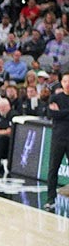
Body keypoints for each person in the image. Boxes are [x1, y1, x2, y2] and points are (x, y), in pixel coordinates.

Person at [45, 74, 69, 211]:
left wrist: (61, 113)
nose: (67, 84)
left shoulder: (58, 102)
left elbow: (58, 114)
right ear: (61, 82)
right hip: (58, 138)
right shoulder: (55, 97)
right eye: (65, 81)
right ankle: (50, 199)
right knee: (53, 169)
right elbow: (51, 114)